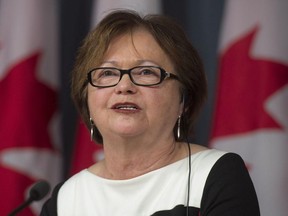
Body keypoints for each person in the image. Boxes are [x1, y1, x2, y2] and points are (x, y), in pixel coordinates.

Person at [41, 10, 260, 216]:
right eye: (107, 73)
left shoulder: (216, 176)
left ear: (183, 99)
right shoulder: (64, 201)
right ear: (86, 98)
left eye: (146, 72)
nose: (124, 86)